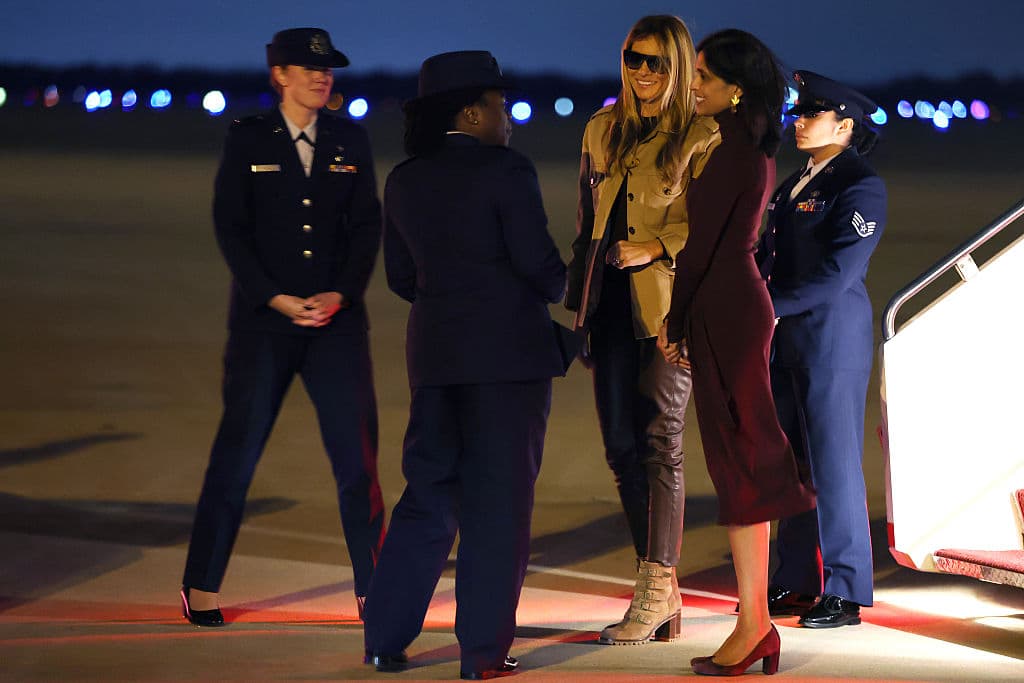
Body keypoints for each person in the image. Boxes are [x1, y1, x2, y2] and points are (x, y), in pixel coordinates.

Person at [361, 51, 567, 680]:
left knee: (426, 498)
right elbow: (542, 272)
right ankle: (480, 653)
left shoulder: (404, 178)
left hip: (435, 360)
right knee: (497, 510)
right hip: (507, 366)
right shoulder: (507, 171)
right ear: (472, 113)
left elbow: (402, 278)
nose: (509, 119)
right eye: (501, 107)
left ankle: (385, 638)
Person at [179, 27, 384, 627]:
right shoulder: (248, 138)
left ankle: (375, 588)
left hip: (336, 326)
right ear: (280, 76)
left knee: (358, 463)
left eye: (328, 70)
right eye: (307, 68)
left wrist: (340, 293)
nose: (322, 77)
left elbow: (366, 227)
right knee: (236, 454)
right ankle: (203, 582)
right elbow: (230, 226)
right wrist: (272, 297)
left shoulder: (351, 138)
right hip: (263, 327)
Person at [658, 29, 817, 675]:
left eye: (701, 74)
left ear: (735, 88)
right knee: (738, 462)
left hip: (725, 310)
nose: (692, 83)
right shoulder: (740, 148)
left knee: (743, 459)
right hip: (729, 308)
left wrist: (673, 318)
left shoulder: (734, 153)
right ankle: (754, 621)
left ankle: (755, 623)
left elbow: (702, 250)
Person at [564, 15, 720, 645]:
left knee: (662, 443)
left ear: (679, 67)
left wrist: (657, 245)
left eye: (658, 62)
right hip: (606, 310)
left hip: (666, 311)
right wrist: (578, 309)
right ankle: (662, 592)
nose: (646, 73)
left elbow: (716, 228)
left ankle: (655, 588)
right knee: (621, 451)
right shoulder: (601, 129)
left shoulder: (700, 135)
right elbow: (584, 223)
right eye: (636, 59)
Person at [756, 70, 886, 629]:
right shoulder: (796, 183)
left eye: (812, 114)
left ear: (845, 124)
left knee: (834, 468)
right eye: (799, 112)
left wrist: (769, 306)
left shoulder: (859, 184)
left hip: (831, 339)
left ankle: (847, 589)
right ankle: (796, 579)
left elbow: (838, 272)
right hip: (786, 338)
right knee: (794, 467)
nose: (799, 122)